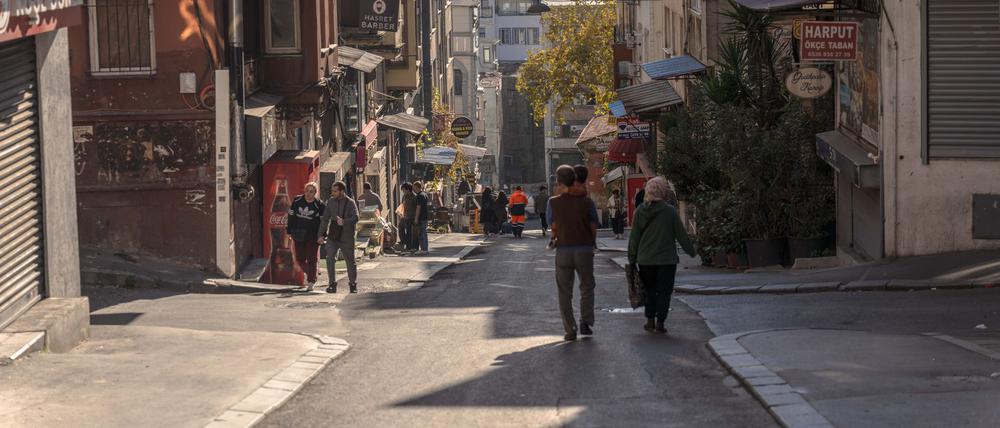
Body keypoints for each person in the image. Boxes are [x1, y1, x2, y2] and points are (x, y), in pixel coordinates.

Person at [628, 177, 696, 334]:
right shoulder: (670, 212)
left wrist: (632, 258)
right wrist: (691, 251)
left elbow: (634, 238)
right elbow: (681, 235)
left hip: (645, 260)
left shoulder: (639, 212)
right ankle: (661, 322)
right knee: (664, 291)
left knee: (650, 290)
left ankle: (650, 319)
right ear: (662, 192)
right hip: (667, 260)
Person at [549, 165, 598, 341]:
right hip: (584, 248)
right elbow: (594, 226)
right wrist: (592, 242)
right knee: (587, 286)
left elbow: (552, 224)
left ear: (560, 182)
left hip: (563, 249)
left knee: (564, 291)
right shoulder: (587, 202)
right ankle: (585, 322)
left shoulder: (553, 202)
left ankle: (570, 329)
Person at [319, 181, 360, 294]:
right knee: (330, 258)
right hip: (333, 236)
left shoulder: (351, 203)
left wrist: (344, 221)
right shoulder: (330, 202)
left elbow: (356, 217)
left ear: (342, 191)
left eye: (335, 191)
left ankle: (353, 284)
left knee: (350, 261)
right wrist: (321, 234)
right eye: (332, 191)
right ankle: (332, 284)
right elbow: (325, 219)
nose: (332, 193)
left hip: (347, 236)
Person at [287, 182, 325, 291]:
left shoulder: (319, 205)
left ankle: (311, 282)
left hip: (313, 236)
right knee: (300, 259)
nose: (308, 194)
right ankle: (312, 274)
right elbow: (291, 217)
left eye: (311, 192)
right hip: (298, 234)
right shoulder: (297, 201)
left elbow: (323, 222)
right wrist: (289, 231)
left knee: (312, 259)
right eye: (307, 191)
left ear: (315, 193)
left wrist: (322, 235)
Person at [412, 181, 430, 256]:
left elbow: (418, 207)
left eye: (414, 187)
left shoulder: (419, 196)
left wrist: (416, 218)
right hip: (425, 216)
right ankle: (424, 248)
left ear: (416, 187)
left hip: (421, 217)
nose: (413, 189)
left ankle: (424, 249)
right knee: (424, 233)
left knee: (422, 233)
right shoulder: (425, 195)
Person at [400, 182, 416, 253]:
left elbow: (417, 208)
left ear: (408, 189)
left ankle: (410, 247)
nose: (403, 192)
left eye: (403, 190)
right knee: (400, 227)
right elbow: (402, 205)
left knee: (410, 233)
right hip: (405, 216)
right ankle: (404, 243)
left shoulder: (414, 197)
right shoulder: (404, 196)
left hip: (412, 217)